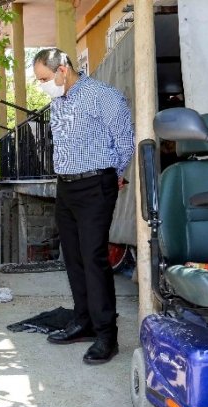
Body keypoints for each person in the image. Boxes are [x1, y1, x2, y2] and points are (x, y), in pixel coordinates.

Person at [32, 48, 135, 365]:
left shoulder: (102, 95)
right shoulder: (58, 100)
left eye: (45, 79)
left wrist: (113, 175)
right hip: (67, 186)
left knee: (93, 259)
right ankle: (84, 322)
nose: (43, 86)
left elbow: (125, 140)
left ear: (63, 69)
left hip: (95, 184)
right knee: (74, 257)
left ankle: (107, 335)